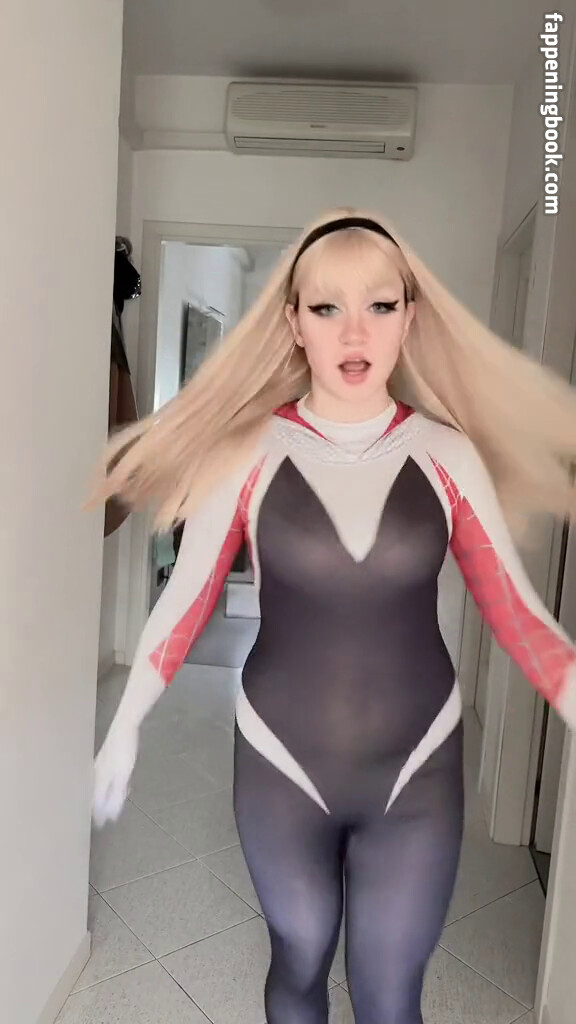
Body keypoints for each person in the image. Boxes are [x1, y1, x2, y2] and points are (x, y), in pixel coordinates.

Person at [91, 209, 576, 1024]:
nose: (356, 331)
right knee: (301, 954)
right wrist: (125, 724)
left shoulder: (446, 456)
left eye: (380, 305)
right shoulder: (246, 452)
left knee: (389, 994)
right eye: (327, 307)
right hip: (280, 762)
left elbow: (521, 616)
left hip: (418, 768)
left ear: (409, 318)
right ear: (294, 323)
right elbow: (188, 598)